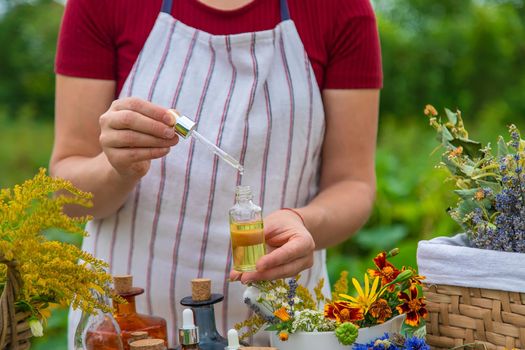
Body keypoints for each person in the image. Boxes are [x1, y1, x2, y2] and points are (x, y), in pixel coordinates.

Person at [51, 0, 382, 347]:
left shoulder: (340, 10)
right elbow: (66, 196)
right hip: (127, 329)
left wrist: (304, 222)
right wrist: (116, 166)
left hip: (283, 328)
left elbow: (353, 183)